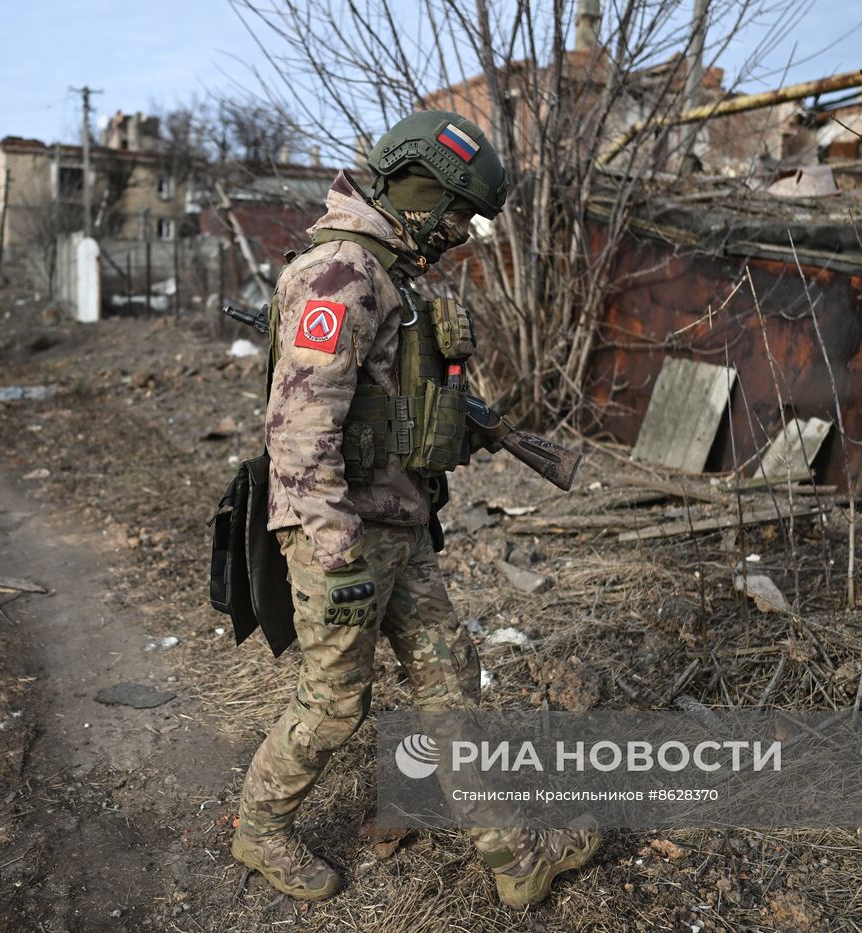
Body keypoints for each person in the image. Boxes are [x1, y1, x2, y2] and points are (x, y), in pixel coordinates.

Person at [231, 111, 599, 908]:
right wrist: (335, 552)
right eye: (459, 213)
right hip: (341, 532)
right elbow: (299, 431)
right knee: (337, 701)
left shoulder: (390, 274)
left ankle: (515, 857)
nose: (463, 231)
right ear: (423, 193)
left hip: (398, 524)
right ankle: (259, 827)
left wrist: (456, 425)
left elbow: (393, 403)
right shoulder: (340, 274)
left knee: (451, 689)